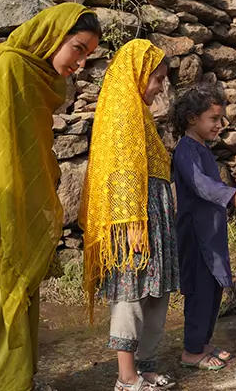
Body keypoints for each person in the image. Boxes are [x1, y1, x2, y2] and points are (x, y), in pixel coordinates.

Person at [0, 3, 101, 391]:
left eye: (88, 55)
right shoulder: (11, 70)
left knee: (24, 307)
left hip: (21, 213)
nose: (81, 63)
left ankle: (24, 383)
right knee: (3, 316)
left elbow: (31, 150)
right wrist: (8, 211)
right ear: (53, 36)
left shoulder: (36, 78)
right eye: (79, 48)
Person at [79, 39, 178, 391]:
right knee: (132, 293)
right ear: (137, 75)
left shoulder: (140, 113)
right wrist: (132, 226)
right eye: (158, 79)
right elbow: (121, 171)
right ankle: (126, 376)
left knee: (156, 293)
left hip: (153, 218)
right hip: (132, 221)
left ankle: (146, 366)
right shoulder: (122, 112)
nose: (161, 88)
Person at [170, 85, 236, 371]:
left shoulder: (201, 149)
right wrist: (232, 195)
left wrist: (233, 195)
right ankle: (191, 351)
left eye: (220, 119)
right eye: (213, 119)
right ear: (191, 119)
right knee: (199, 290)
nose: (220, 125)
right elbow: (201, 185)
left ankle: (203, 342)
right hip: (196, 235)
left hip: (211, 233)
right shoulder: (186, 150)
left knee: (213, 289)